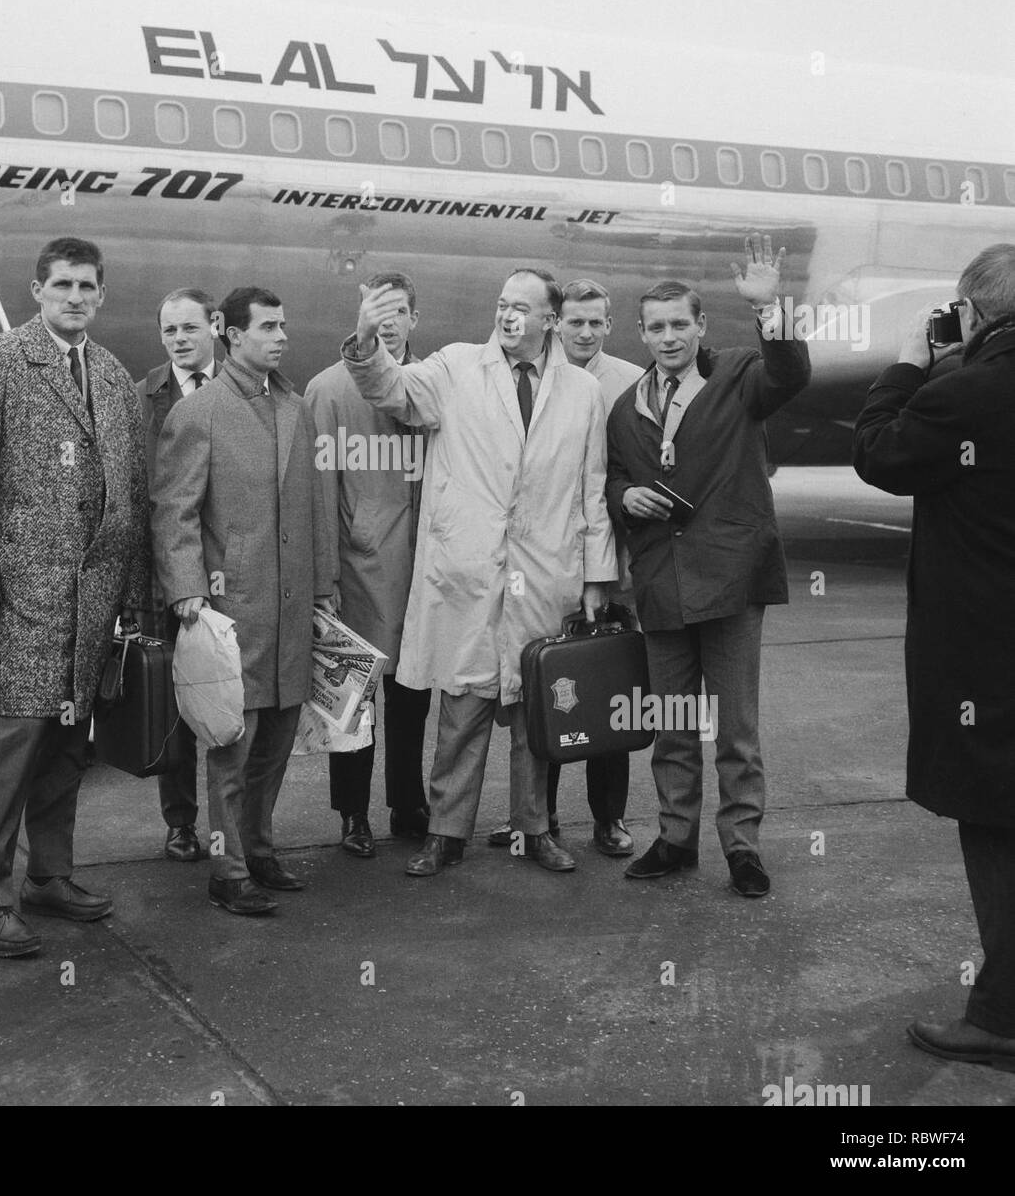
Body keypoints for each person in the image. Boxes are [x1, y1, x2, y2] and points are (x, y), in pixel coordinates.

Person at [345, 269, 616, 878]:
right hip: (468, 570)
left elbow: (591, 488)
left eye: (521, 307)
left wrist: (596, 577)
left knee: (536, 710)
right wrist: (366, 340)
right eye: (501, 303)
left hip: (543, 573)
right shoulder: (455, 366)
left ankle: (534, 829)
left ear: (550, 319)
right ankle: (446, 833)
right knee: (462, 709)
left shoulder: (582, 391)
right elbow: (390, 389)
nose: (507, 315)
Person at [0, 237, 150, 959]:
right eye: (62, 284)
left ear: (100, 294)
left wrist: (131, 594)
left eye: (87, 286)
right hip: (19, 600)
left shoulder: (111, 375)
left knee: (67, 749)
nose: (75, 297)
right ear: (36, 291)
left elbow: (131, 493)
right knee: (13, 752)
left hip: (92, 602)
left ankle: (50, 877)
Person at [606, 236, 810, 898]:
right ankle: (675, 838)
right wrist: (623, 497)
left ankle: (742, 847)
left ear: (700, 326)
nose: (668, 338)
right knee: (671, 726)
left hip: (731, 579)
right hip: (662, 581)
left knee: (735, 730)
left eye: (679, 325)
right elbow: (615, 477)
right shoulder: (626, 407)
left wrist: (771, 307)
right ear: (641, 333)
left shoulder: (740, 375)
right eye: (656, 327)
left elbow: (791, 375)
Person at [853, 244, 1015, 1070]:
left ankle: (1000, 1018)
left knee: (992, 821)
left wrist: (906, 364)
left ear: (973, 311)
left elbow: (878, 452)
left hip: (985, 656)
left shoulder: (967, 393)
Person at [153, 287, 336, 916]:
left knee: (278, 737)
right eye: (268, 327)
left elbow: (314, 504)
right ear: (231, 334)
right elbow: (174, 511)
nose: (281, 337)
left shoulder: (294, 406)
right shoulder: (198, 412)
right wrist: (186, 589)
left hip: (290, 607)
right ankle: (226, 870)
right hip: (232, 609)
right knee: (232, 743)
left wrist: (323, 586)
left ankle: (258, 848)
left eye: (283, 326)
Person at [488, 277, 643, 857]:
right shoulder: (529, 378)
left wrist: (606, 572)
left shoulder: (629, 383)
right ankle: (539, 818)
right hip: (545, 567)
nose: (584, 332)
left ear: (609, 325)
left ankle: (609, 819)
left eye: (595, 322)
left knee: (606, 690)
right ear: (555, 323)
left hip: (611, 568)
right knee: (547, 688)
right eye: (574, 321)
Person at [305, 272, 432, 857]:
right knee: (351, 701)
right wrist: (324, 577)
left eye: (398, 310)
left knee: (413, 695)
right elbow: (318, 495)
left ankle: (408, 803)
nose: (388, 321)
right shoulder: (328, 390)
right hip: (357, 568)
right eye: (377, 310)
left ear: (414, 319)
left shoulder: (433, 381)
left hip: (423, 565)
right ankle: (352, 813)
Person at [137, 286, 224, 863]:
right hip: (166, 574)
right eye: (169, 330)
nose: (178, 339)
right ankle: (181, 822)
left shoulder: (243, 388)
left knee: (230, 700)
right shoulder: (143, 395)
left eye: (189, 327)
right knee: (173, 707)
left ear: (215, 325)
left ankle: (233, 824)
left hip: (232, 569)